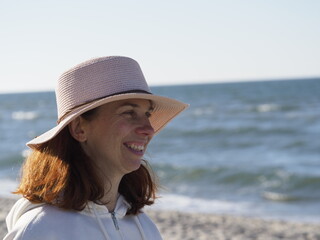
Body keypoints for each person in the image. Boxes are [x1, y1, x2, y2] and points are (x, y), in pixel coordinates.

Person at [4, 56, 188, 240]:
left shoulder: (144, 227)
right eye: (128, 112)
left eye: (147, 114)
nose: (149, 129)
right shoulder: (40, 229)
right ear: (79, 128)